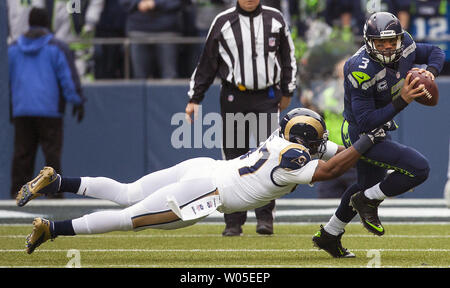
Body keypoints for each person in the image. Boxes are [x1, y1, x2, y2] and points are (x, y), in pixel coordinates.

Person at [17, 108, 386, 255]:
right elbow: (334, 168)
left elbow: (339, 151)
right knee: (128, 218)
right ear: (305, 141)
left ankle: (57, 181)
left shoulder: (282, 138)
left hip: (203, 168)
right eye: (317, 139)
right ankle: (51, 228)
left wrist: (367, 144)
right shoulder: (294, 159)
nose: (323, 144)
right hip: (204, 194)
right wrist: (370, 140)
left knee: (128, 190)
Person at [311, 12, 445, 258]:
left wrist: (431, 72)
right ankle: (367, 200)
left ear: (399, 39)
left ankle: (329, 235)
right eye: (380, 43)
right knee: (419, 169)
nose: (386, 47)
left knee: (365, 184)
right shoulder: (360, 68)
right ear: (368, 41)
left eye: (391, 42)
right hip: (361, 133)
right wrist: (402, 100)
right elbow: (365, 122)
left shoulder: (406, 45)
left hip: (380, 126)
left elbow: (436, 51)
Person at [185, 0, 297, 236]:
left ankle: (265, 218)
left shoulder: (275, 18)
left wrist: (287, 90)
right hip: (235, 95)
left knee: (269, 156)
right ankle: (233, 221)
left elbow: (288, 57)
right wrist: (195, 98)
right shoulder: (223, 22)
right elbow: (207, 62)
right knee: (234, 159)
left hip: (267, 96)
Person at [8, 8, 85, 200]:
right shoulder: (56, 47)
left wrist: (12, 107)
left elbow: (8, 82)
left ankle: (17, 195)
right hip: (50, 110)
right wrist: (77, 100)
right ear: (46, 23)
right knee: (51, 156)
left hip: (22, 109)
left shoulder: (14, 48)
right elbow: (66, 78)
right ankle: (54, 196)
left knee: (22, 155)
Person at [119, 0, 182, 79]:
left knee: (169, 76)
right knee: (139, 77)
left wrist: (155, 3)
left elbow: (178, 2)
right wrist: (138, 4)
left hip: (167, 31)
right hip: (138, 30)